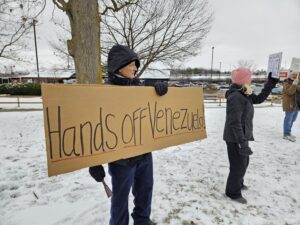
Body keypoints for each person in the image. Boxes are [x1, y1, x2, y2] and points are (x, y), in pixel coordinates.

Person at [89, 44, 168, 225]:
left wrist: (159, 91)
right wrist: (93, 162)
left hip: (144, 155)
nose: (135, 68)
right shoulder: (102, 93)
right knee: (120, 200)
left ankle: (142, 221)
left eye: (136, 65)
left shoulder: (140, 89)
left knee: (145, 192)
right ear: (119, 65)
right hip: (121, 161)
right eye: (132, 64)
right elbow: (94, 127)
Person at [223, 68, 278, 204]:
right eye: (249, 77)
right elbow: (234, 122)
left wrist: (270, 83)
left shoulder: (244, 92)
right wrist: (242, 143)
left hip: (242, 136)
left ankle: (238, 183)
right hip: (235, 137)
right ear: (242, 80)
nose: (251, 79)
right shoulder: (236, 97)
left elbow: (259, 99)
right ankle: (232, 192)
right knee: (237, 165)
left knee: (244, 163)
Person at [282, 70, 299, 142]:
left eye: (296, 74)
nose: (294, 76)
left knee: (293, 119)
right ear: (289, 75)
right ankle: (286, 134)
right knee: (288, 119)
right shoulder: (286, 83)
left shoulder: (297, 82)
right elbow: (290, 92)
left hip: (296, 104)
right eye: (293, 75)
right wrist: (294, 84)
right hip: (289, 104)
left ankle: (288, 132)